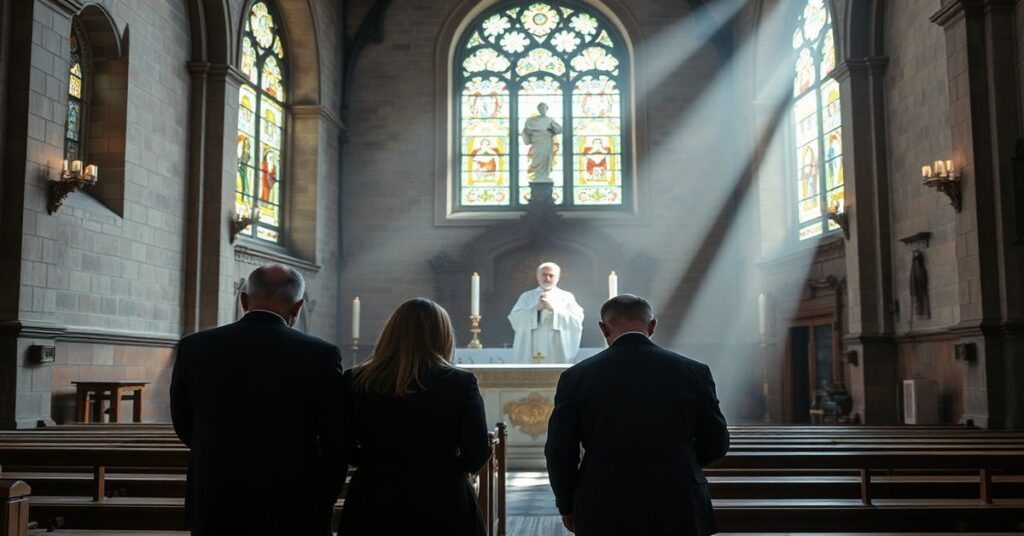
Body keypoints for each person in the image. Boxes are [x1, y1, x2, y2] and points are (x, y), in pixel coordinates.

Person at [170, 264, 347, 536]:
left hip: (216, 495)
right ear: (298, 307)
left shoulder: (195, 346)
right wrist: (326, 493)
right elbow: (335, 437)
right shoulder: (321, 355)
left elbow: (183, 421)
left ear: (243, 300)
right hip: (294, 500)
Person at [545, 295, 729, 536]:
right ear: (652, 326)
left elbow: (560, 451)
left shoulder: (576, 377)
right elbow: (717, 442)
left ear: (603, 328)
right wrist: (679, 463)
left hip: (604, 498)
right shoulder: (694, 371)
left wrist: (567, 505)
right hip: (679, 497)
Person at [339, 298, 490, 536]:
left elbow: (340, 444)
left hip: (374, 495)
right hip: (442, 498)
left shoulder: (355, 380)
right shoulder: (459, 383)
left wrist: (376, 462)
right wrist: (442, 467)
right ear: (442, 335)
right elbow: (477, 453)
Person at [508, 262, 584, 363]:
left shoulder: (566, 297)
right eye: (544, 274)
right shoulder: (527, 296)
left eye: (551, 275)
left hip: (556, 345)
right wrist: (536, 308)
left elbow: (576, 321)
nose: (547, 278)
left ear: (557, 277)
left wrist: (554, 309)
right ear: (537, 276)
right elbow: (515, 319)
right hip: (532, 342)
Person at [521, 102, 562, 181]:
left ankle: (545, 176)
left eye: (544, 108)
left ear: (546, 109)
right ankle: (538, 176)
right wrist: (530, 132)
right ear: (538, 109)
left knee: (547, 158)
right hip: (537, 142)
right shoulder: (532, 120)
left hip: (547, 141)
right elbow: (527, 130)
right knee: (537, 158)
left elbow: (559, 129)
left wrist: (552, 130)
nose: (542, 109)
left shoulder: (550, 120)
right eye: (540, 108)